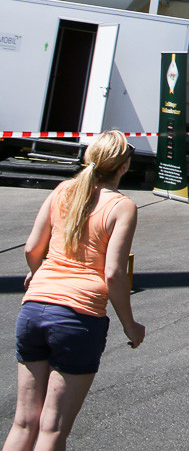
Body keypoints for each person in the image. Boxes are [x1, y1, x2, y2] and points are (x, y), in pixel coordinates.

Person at [2, 131, 144, 451]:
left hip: (34, 307)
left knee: (24, 422)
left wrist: (40, 275)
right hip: (77, 319)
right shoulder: (122, 207)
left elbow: (31, 248)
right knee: (53, 429)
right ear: (124, 167)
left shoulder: (63, 190)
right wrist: (130, 326)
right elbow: (113, 273)